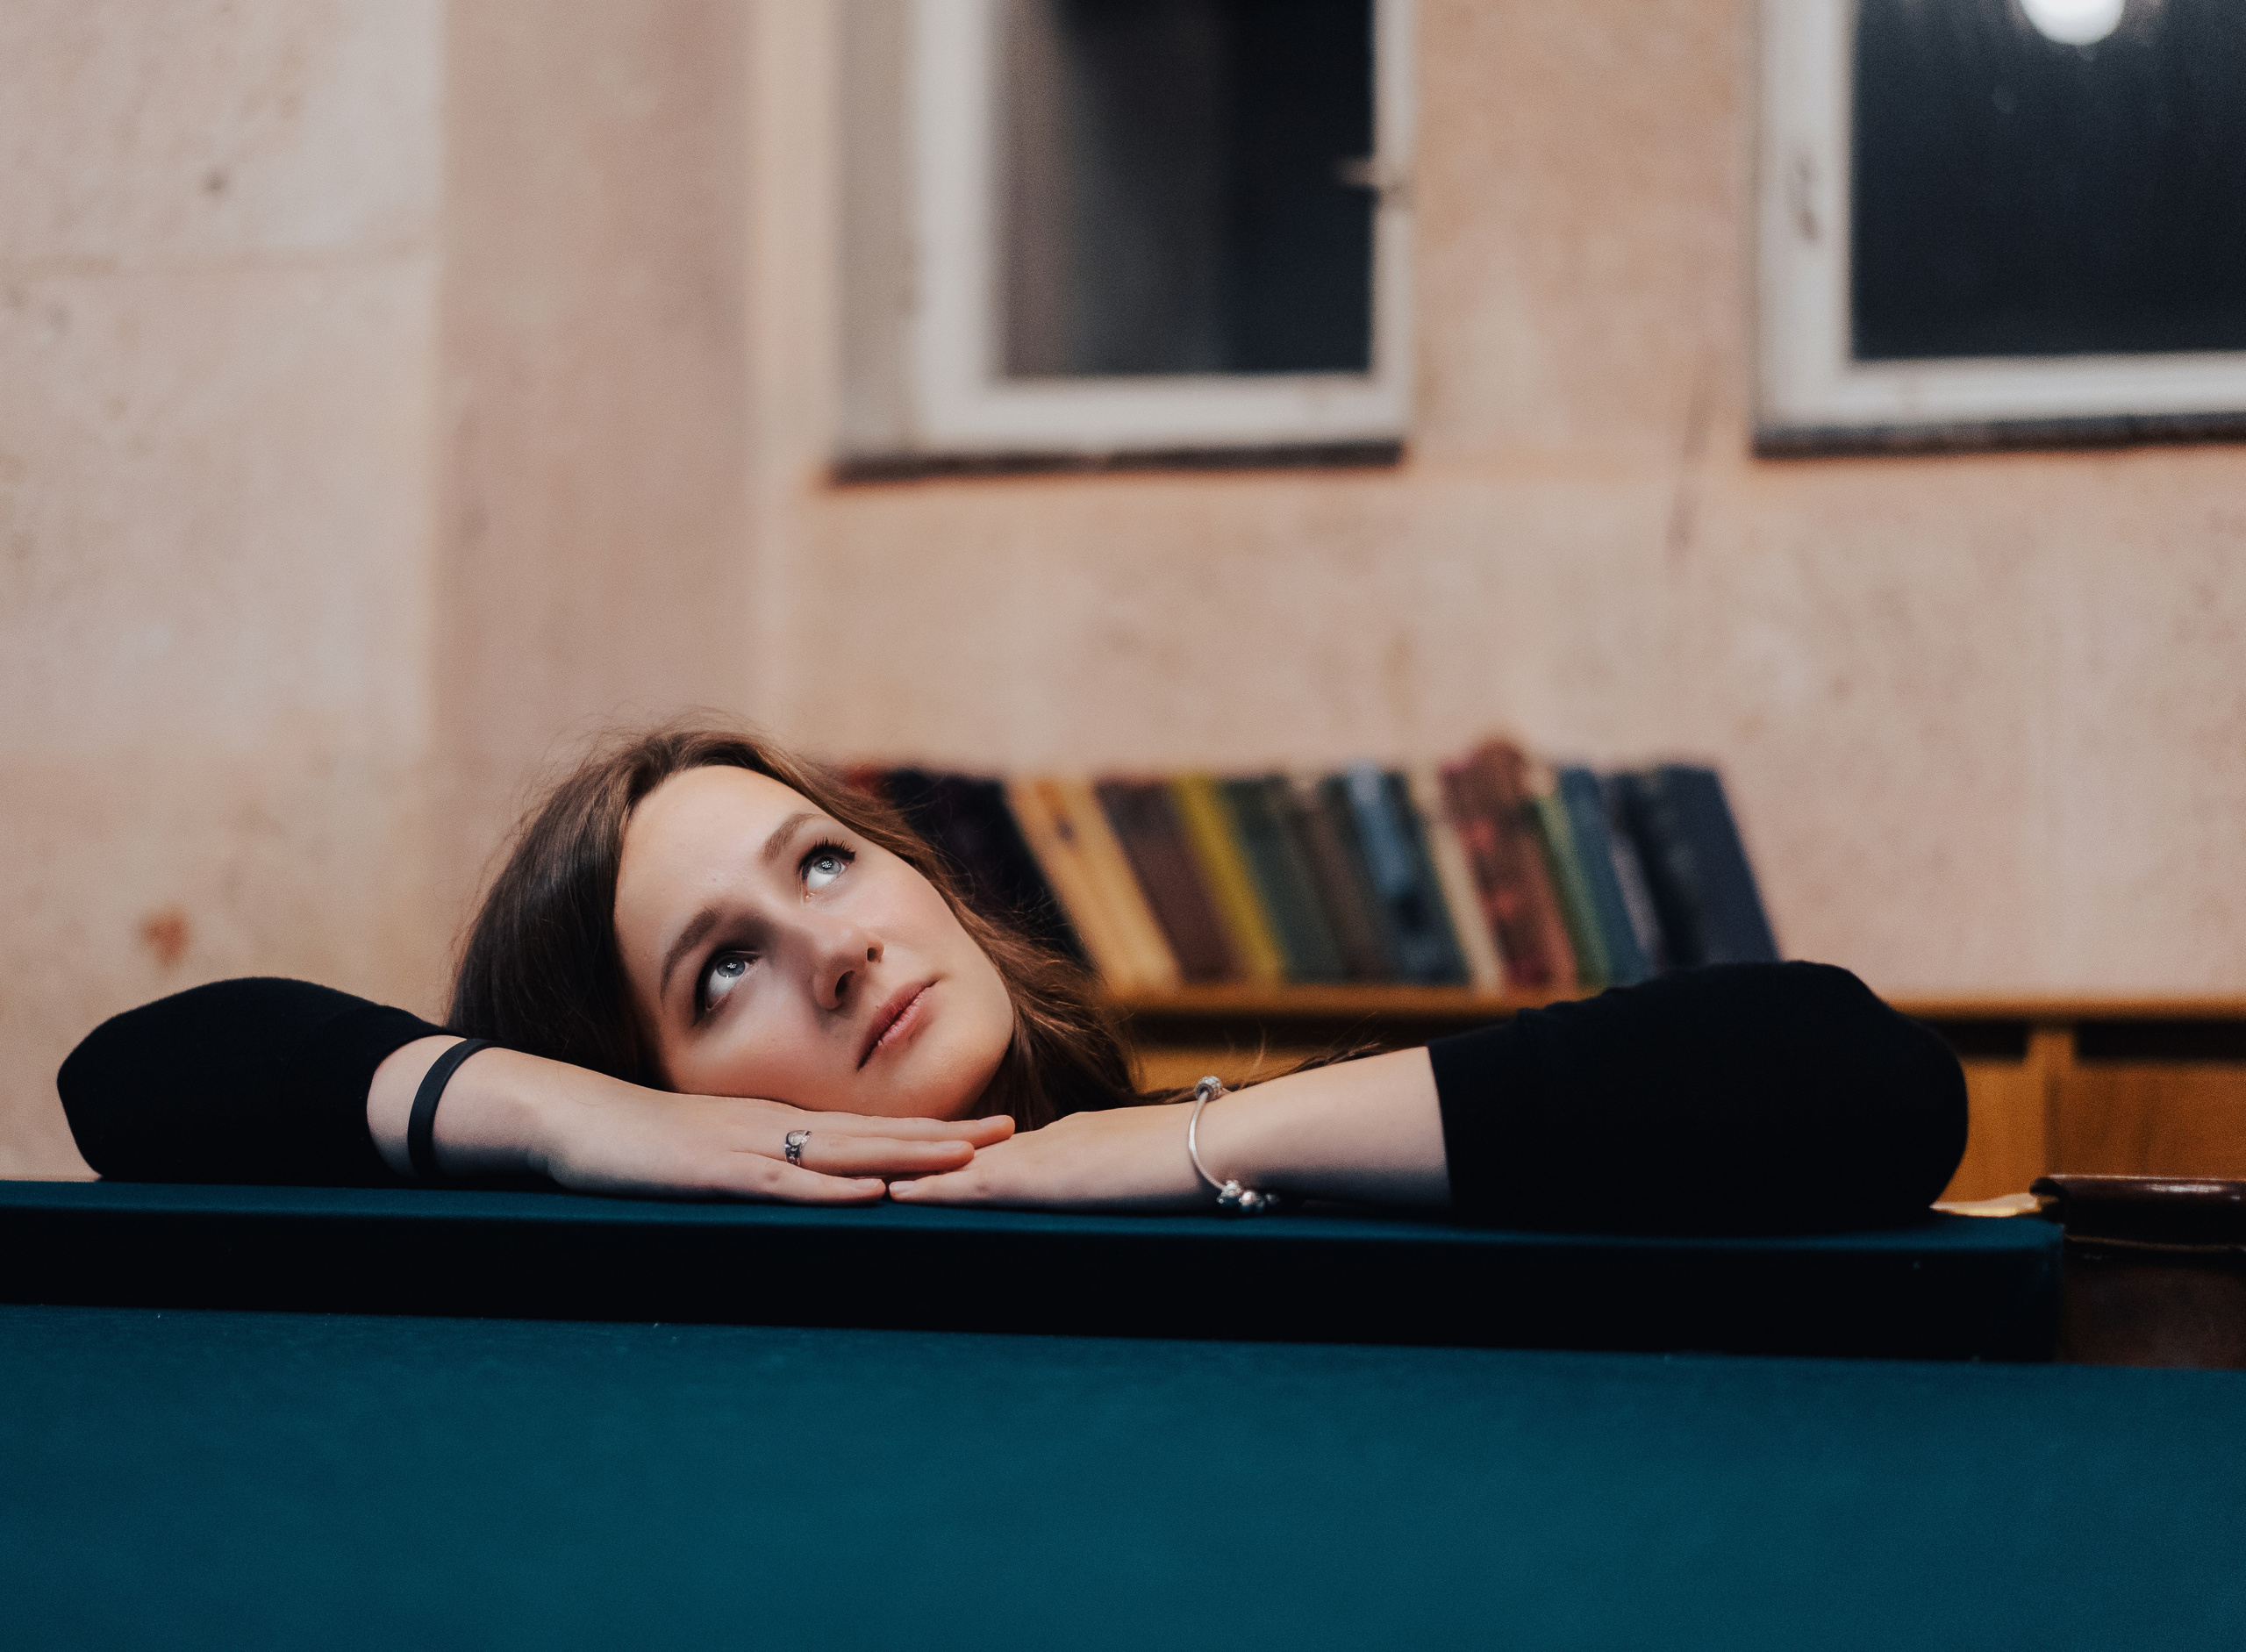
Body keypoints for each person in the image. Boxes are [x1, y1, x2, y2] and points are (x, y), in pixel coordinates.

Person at [58, 721, 1969, 1232]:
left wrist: (1157, 1150)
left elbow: (1857, 1078)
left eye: (824, 859)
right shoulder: (621, 1189)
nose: (831, 937)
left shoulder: (1230, 1162)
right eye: (720, 971)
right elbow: (143, 1076)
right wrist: (564, 1124)